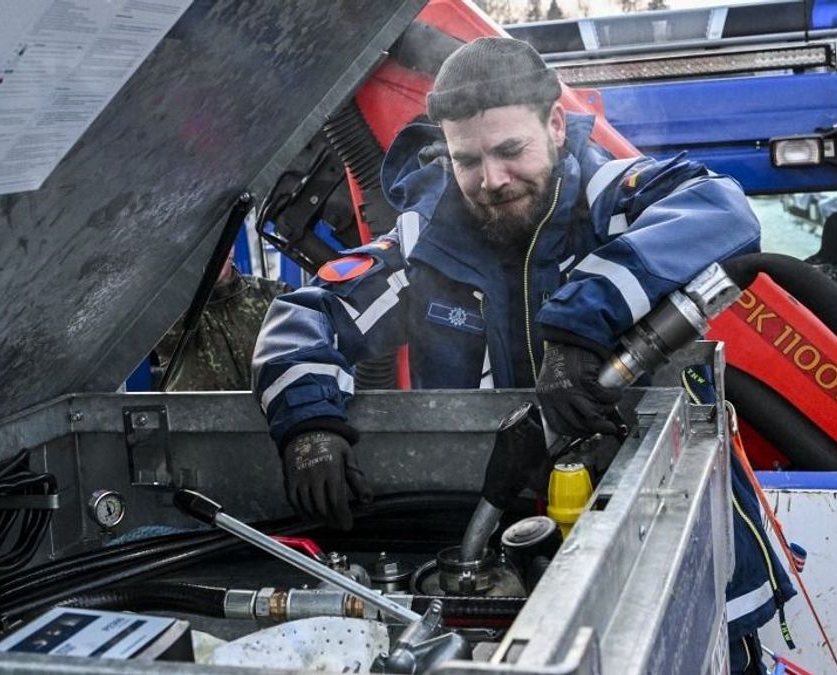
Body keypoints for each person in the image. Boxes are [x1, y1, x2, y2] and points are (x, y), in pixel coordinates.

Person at [252, 37, 792, 673]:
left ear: (556, 125)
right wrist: (309, 424)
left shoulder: (611, 198)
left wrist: (580, 324)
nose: (493, 180)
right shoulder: (424, 245)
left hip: (664, 544)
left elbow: (722, 210)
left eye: (511, 151)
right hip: (504, 558)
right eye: (468, 159)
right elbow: (306, 313)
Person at [152, 256, 289, 391]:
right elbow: (165, 339)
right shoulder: (170, 305)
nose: (212, 254)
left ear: (231, 248)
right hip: (198, 411)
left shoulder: (272, 295)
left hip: (263, 410)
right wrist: (191, 282)